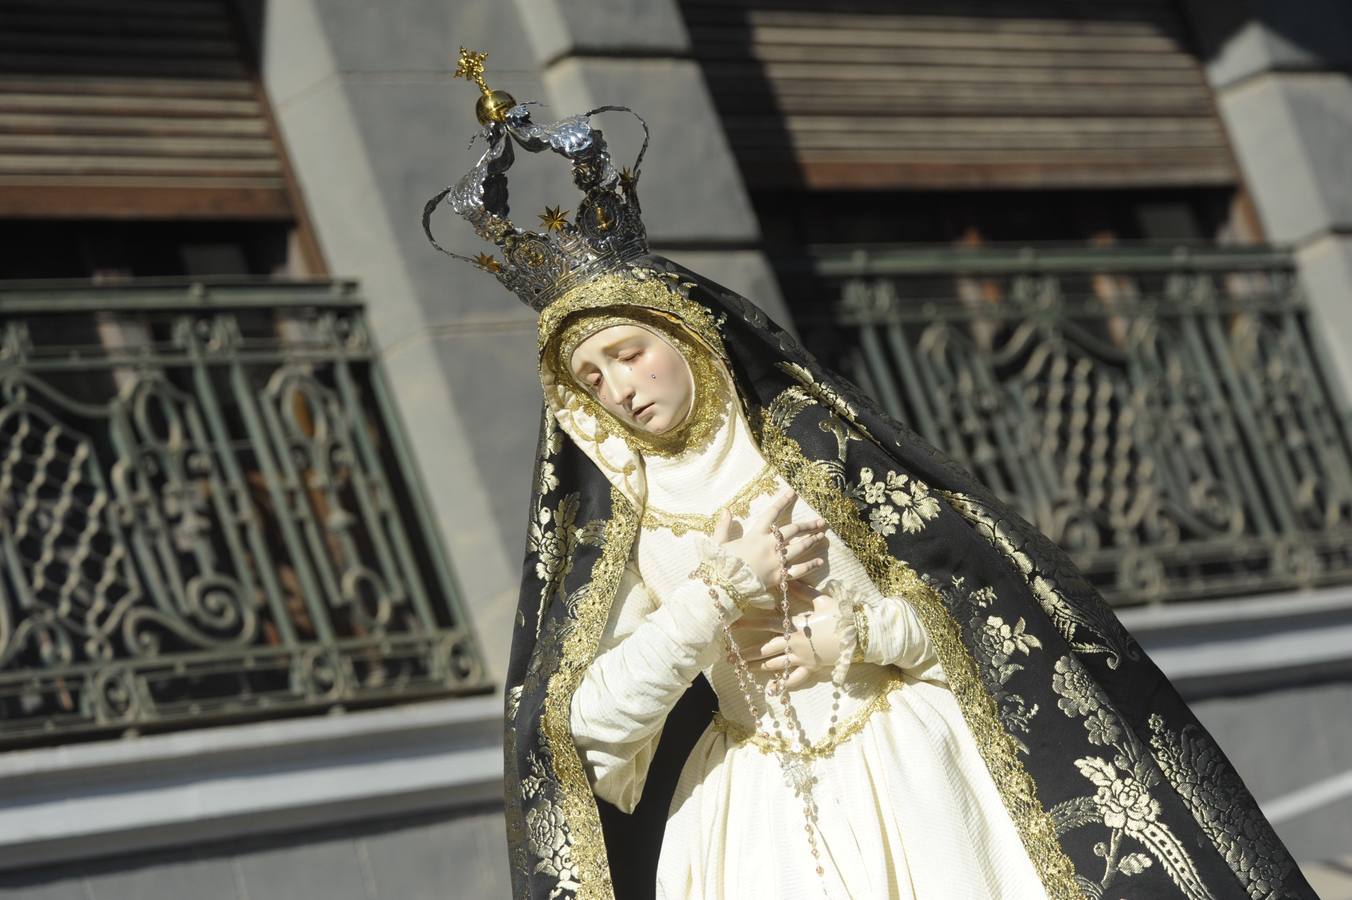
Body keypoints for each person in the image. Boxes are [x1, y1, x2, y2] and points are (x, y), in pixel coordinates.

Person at [427, 49, 1316, 900]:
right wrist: (716, 594)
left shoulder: (817, 450)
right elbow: (586, 726)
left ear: (685, 338)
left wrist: (855, 638)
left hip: (924, 777)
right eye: (591, 380)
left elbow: (989, 631)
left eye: (628, 354)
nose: (619, 389)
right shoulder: (625, 519)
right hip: (753, 822)